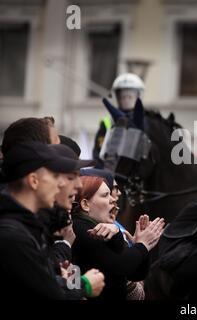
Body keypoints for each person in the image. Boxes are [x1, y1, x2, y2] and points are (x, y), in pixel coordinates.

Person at [0, 141, 105, 299]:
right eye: (56, 176)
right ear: (34, 181)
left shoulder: (34, 227)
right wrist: (84, 285)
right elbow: (48, 292)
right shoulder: (13, 236)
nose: (60, 184)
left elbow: (50, 281)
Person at [71, 175, 164, 299]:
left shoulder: (101, 227)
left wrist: (140, 245)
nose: (113, 199)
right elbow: (121, 266)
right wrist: (143, 245)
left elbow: (136, 274)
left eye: (111, 194)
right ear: (85, 204)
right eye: (105, 195)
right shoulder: (82, 228)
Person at [93, 73, 145, 166]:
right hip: (112, 168)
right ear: (117, 97)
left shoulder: (145, 121)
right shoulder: (107, 122)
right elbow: (98, 152)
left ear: (138, 96)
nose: (126, 100)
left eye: (130, 96)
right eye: (123, 97)